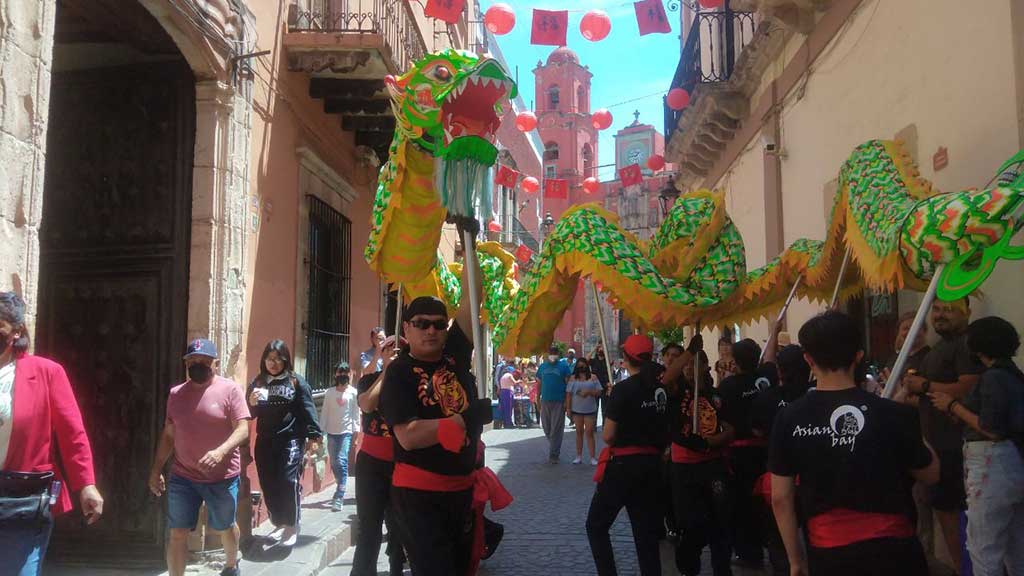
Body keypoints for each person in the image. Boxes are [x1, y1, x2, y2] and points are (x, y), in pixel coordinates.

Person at [769, 311, 939, 576]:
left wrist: (795, 559)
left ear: (808, 359)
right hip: (895, 554)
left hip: (831, 557)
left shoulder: (789, 418)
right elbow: (931, 473)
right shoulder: (894, 414)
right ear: (858, 355)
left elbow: (781, 497)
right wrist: (910, 425)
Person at [380, 292, 498, 576]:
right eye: (422, 324)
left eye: (438, 324)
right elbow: (408, 435)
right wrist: (463, 420)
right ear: (406, 328)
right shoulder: (399, 372)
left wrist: (467, 247)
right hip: (420, 499)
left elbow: (472, 298)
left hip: (462, 494)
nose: (431, 330)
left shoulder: (454, 356)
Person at [0, 292, 104, 575]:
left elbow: (72, 433)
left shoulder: (47, 372)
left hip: (21, 499)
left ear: (16, 330)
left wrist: (86, 484)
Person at [927, 316, 1024, 576]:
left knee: (984, 547)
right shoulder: (1014, 375)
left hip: (992, 463)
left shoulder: (992, 378)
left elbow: (991, 428)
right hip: (1015, 462)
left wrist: (952, 405)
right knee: (1017, 546)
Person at [149, 338, 251, 576]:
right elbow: (168, 434)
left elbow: (243, 429)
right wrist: (156, 470)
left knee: (225, 526)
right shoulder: (176, 394)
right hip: (183, 476)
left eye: (203, 361)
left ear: (214, 363)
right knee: (177, 532)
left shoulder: (230, 389)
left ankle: (230, 564)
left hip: (222, 477)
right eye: (192, 360)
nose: (197, 364)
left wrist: (220, 451)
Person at [902, 299, 982, 573]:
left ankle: (965, 569)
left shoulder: (966, 344)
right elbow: (929, 398)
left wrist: (923, 384)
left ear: (967, 312)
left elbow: (968, 386)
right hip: (938, 444)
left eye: (949, 309)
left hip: (956, 447)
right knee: (944, 514)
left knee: (955, 516)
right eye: (937, 309)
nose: (941, 315)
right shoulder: (940, 347)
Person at [586, 335, 669, 576]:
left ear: (625, 358)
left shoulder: (622, 390)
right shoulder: (661, 390)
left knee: (596, 525)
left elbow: (609, 436)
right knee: (646, 534)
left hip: (623, 466)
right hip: (652, 466)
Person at [663, 340, 736, 576]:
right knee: (692, 524)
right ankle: (688, 565)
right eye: (686, 365)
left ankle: (722, 570)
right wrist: (689, 352)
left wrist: (710, 442)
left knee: (721, 522)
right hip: (684, 467)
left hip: (712, 465)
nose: (688, 368)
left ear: (705, 366)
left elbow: (729, 428)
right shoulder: (678, 391)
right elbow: (666, 378)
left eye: (695, 364)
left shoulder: (715, 395)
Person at [246, 339, 323, 546]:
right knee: (268, 482)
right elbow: (250, 414)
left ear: (286, 360)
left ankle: (291, 525)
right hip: (265, 441)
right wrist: (251, 403)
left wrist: (314, 436)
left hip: (291, 439)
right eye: (270, 359)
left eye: (279, 359)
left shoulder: (296, 382)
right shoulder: (258, 383)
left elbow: (308, 408)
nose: (274, 363)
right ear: (264, 360)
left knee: (288, 481)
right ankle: (279, 522)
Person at [751, 338, 811, 576]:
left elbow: (756, 429)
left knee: (778, 537)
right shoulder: (816, 394)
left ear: (779, 370)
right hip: (812, 476)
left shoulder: (767, 398)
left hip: (777, 475)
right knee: (813, 532)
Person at [353, 336, 406, 576]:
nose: (394, 353)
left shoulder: (413, 382)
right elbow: (366, 405)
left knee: (399, 525)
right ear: (381, 353)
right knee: (369, 527)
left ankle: (397, 567)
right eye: (388, 349)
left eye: (400, 350)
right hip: (371, 465)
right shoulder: (368, 380)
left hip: (403, 463)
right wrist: (386, 373)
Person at [718, 338, 766, 567]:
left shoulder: (728, 386)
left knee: (740, 504)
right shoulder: (767, 378)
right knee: (762, 501)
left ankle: (748, 551)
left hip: (739, 454)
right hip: (766, 451)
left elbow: (723, 417)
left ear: (735, 361)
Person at [321, 361, 360, 511]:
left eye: (345, 372)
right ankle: (340, 483)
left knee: (341, 460)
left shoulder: (353, 393)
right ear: (335, 374)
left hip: (346, 433)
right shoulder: (329, 393)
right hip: (331, 433)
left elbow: (356, 415)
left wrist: (356, 435)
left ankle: (339, 496)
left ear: (349, 374)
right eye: (340, 372)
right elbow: (324, 413)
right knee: (334, 462)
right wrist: (320, 432)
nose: (342, 375)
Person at [537, 345, 572, 463]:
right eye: (551, 352)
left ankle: (554, 455)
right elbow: (539, 384)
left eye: (554, 352)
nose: (552, 354)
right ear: (548, 353)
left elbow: (568, 386)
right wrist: (537, 399)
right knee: (547, 428)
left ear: (557, 354)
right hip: (545, 400)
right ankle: (554, 445)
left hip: (559, 401)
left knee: (556, 429)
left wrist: (567, 403)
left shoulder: (564, 367)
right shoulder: (542, 367)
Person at [567, 358, 602, 465]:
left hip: (590, 409)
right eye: (579, 366)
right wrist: (568, 409)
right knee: (578, 432)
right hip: (577, 409)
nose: (581, 368)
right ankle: (578, 456)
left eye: (583, 366)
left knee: (589, 432)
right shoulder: (572, 378)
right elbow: (568, 394)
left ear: (587, 366)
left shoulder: (593, 377)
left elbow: (599, 391)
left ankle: (592, 457)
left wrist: (590, 392)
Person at [591, 345, 611, 423]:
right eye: (600, 349)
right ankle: (594, 425)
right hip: (594, 388)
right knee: (594, 408)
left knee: (605, 409)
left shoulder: (607, 362)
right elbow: (586, 359)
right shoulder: (593, 361)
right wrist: (594, 348)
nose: (601, 350)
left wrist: (606, 350)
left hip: (605, 387)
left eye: (602, 349)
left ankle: (604, 425)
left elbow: (611, 373)